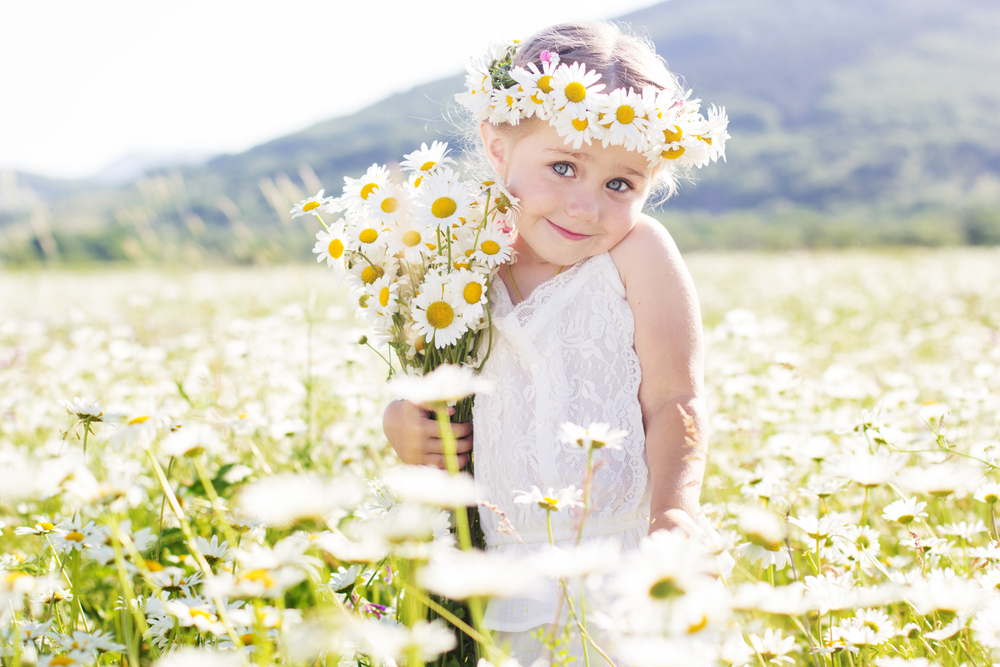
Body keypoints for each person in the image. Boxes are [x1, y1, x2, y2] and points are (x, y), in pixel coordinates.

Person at [383, 20, 728, 663]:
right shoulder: (455, 257)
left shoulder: (638, 253)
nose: (586, 207)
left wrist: (673, 512)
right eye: (564, 166)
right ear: (496, 147)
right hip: (496, 571)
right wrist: (401, 422)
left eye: (620, 184)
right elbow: (424, 377)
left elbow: (676, 396)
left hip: (618, 558)